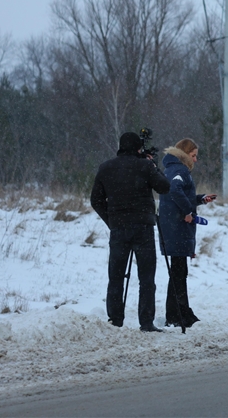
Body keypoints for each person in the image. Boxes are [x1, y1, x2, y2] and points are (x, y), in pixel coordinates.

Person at [91, 132, 170, 332]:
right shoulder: (145, 166)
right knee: (146, 278)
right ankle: (146, 322)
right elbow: (164, 187)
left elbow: (96, 200)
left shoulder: (106, 167)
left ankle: (115, 320)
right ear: (138, 148)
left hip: (119, 228)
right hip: (143, 228)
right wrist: (153, 166)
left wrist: (111, 220)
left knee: (116, 276)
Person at [158, 138, 216, 328]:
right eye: (193, 155)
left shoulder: (170, 169)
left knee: (178, 272)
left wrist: (201, 199)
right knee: (179, 273)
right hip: (178, 228)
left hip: (171, 226)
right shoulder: (180, 170)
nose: (195, 160)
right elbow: (175, 191)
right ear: (184, 154)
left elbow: (180, 194)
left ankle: (177, 313)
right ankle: (178, 314)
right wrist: (187, 212)